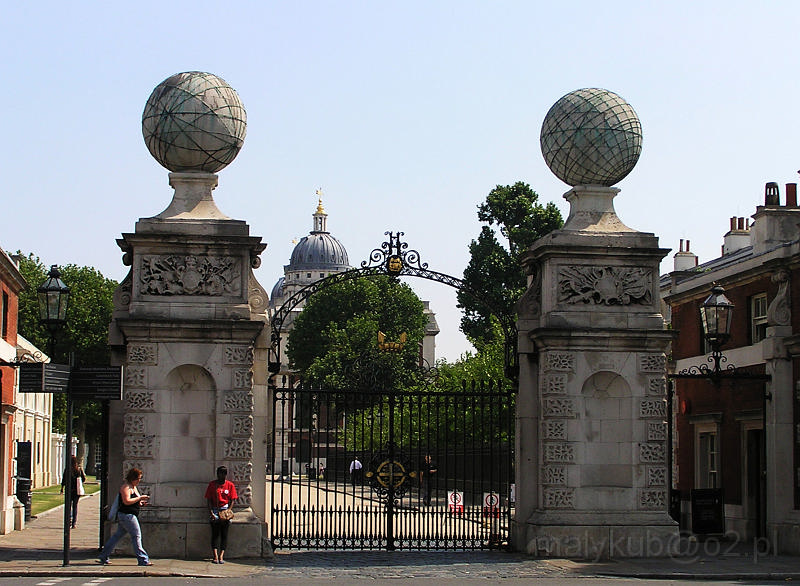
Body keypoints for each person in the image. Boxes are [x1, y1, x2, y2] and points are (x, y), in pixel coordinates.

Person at [99, 468, 152, 566]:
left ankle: (103, 556)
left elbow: (134, 501)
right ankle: (143, 559)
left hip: (129, 515)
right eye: (138, 478)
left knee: (116, 536)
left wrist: (140, 503)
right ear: (133, 478)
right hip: (127, 516)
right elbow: (126, 501)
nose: (139, 480)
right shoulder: (126, 487)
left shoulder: (133, 487)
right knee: (136, 536)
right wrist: (140, 498)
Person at [205, 466, 238, 564]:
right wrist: (211, 512)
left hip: (225, 509)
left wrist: (229, 510)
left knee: (224, 534)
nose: (221, 476)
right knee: (215, 534)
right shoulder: (212, 485)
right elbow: (209, 500)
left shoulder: (230, 485)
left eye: (223, 474)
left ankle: (221, 555)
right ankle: (215, 555)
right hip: (215, 510)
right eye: (220, 474)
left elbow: (233, 499)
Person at [60, 455, 86, 528]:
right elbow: (83, 479)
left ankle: (68, 521)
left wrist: (62, 488)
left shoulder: (67, 469)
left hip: (69, 490)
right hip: (77, 490)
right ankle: (74, 523)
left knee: (68, 507)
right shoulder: (78, 469)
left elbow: (64, 480)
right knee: (75, 506)